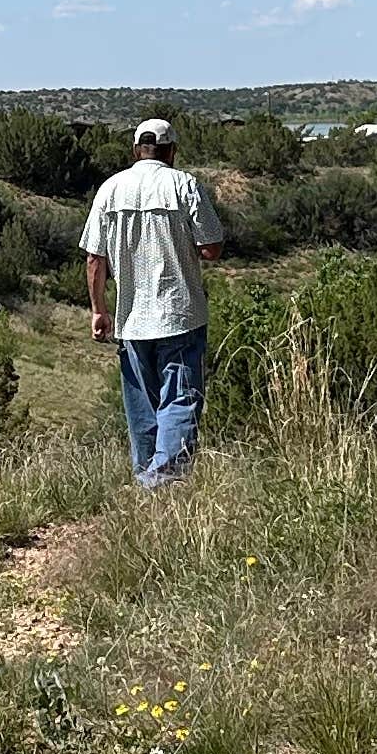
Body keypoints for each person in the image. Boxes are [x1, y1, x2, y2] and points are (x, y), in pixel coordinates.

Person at [80, 117, 225, 485]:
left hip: (131, 317)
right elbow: (211, 248)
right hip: (180, 312)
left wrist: (99, 310)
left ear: (135, 150)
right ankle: (160, 485)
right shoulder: (184, 185)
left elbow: (95, 258)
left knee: (142, 408)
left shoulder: (110, 190)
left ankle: (146, 479)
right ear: (172, 151)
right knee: (179, 400)